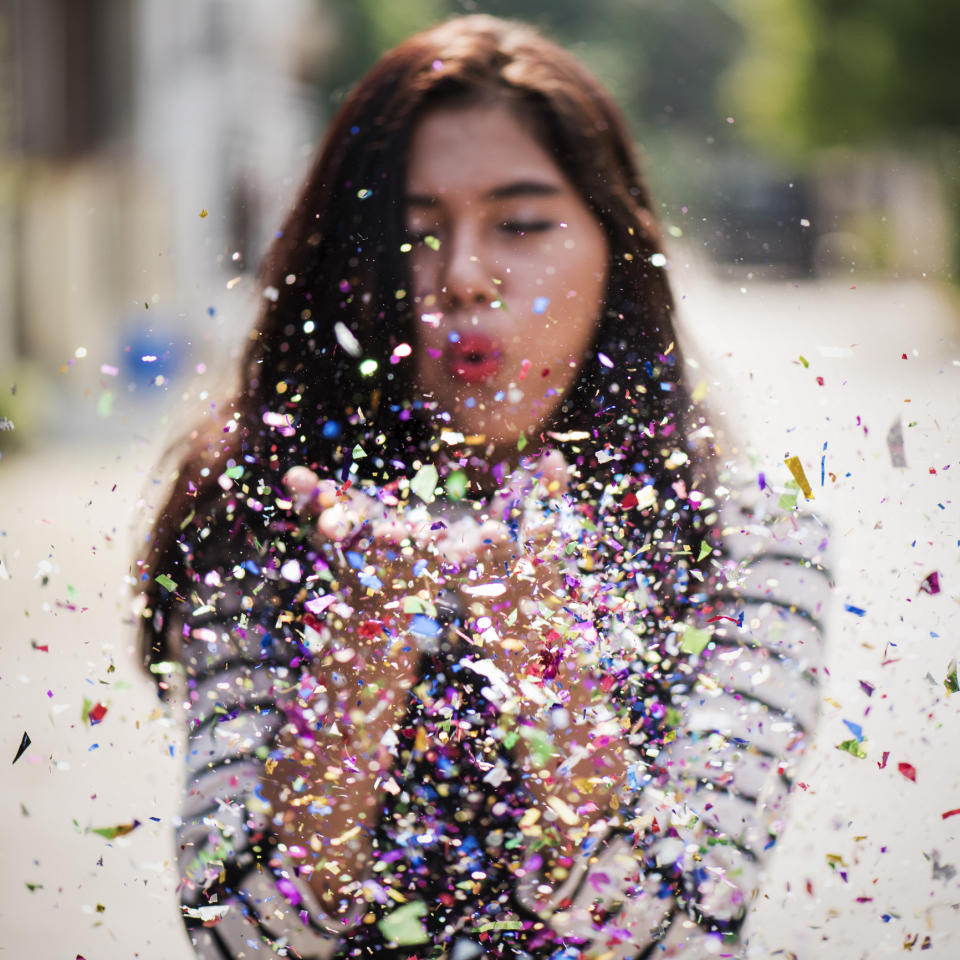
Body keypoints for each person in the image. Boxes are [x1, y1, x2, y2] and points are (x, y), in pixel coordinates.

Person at [138, 15, 832, 960]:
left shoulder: (750, 536)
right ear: (350, 266)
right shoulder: (258, 517)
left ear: (615, 249)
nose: (463, 276)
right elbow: (235, 942)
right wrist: (356, 672)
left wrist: (547, 663)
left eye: (521, 223)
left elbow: (690, 937)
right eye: (414, 233)